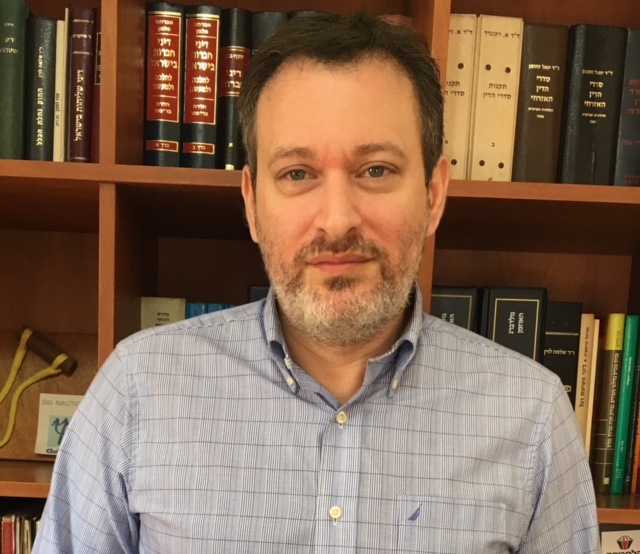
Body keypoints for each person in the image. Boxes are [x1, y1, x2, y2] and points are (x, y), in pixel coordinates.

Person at [33, 12, 599, 553]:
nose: (337, 220)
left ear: (433, 194)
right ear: (252, 203)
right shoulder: (136, 392)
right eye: (297, 173)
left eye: (375, 170)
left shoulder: (532, 418)